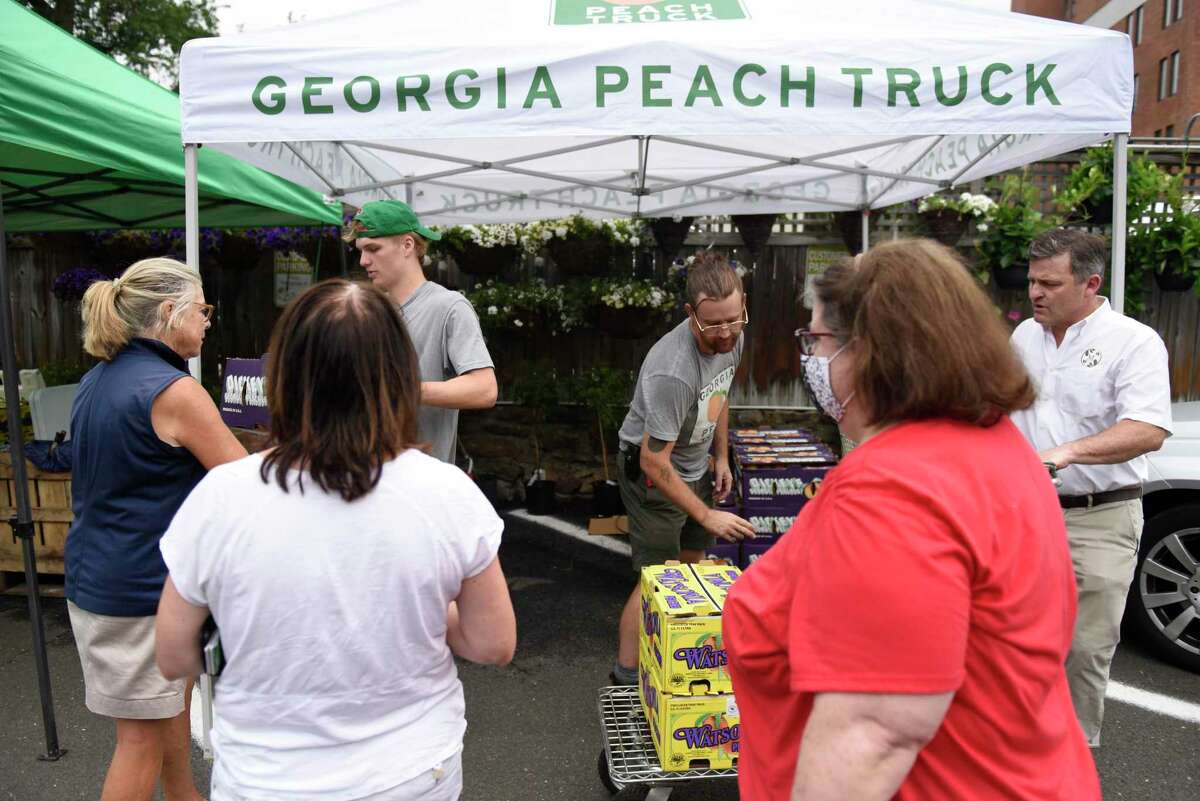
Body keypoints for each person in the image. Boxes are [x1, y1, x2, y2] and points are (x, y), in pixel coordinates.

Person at [724, 240, 1100, 801]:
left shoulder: (893, 487)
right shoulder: (996, 447)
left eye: (817, 340)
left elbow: (874, 732)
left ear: (871, 351)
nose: (813, 360)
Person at [155, 279, 516, 801]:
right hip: (411, 774)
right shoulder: (447, 491)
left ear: (281, 373)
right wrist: (420, 608)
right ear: (398, 375)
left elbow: (173, 655)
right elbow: (493, 644)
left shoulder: (222, 495)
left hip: (264, 778)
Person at [65, 257, 247, 801]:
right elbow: (244, 482)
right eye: (202, 309)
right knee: (140, 739)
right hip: (140, 588)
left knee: (169, 709)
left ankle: (185, 797)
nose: (208, 320)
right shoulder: (174, 391)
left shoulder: (98, 378)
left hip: (107, 577)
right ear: (170, 312)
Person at [1010, 228, 1172, 747]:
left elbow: (1148, 428)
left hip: (1100, 516)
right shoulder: (1023, 338)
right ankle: (1019, 757)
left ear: (1090, 283)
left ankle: (1070, 765)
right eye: (1033, 281)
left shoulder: (1134, 341)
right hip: (1028, 514)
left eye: (1050, 283)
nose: (1036, 293)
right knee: (1019, 642)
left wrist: (1069, 452)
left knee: (1085, 649)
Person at [611, 251, 756, 686]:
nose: (726, 332)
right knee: (658, 579)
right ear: (690, 313)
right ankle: (625, 680)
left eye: (734, 318)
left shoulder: (733, 334)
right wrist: (706, 512)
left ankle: (674, 661)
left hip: (695, 464)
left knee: (691, 567)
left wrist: (721, 455)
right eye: (713, 324)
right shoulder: (672, 371)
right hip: (654, 475)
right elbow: (652, 460)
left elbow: (720, 393)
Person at [344, 201, 497, 462]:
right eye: (360, 250)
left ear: (407, 245)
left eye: (373, 248)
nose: (363, 260)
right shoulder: (369, 310)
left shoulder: (449, 306)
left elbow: (484, 390)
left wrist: (402, 389)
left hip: (422, 488)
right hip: (363, 480)